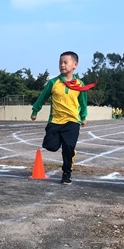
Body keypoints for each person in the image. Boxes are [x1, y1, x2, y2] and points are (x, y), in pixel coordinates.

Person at [30, 51, 95, 185]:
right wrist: (35, 110)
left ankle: (66, 173)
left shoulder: (80, 84)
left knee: (68, 148)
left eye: (65, 62)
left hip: (72, 121)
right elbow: (42, 97)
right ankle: (63, 144)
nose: (62, 65)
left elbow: (83, 102)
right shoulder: (53, 82)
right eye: (60, 62)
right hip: (55, 121)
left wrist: (83, 117)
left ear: (75, 65)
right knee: (50, 146)